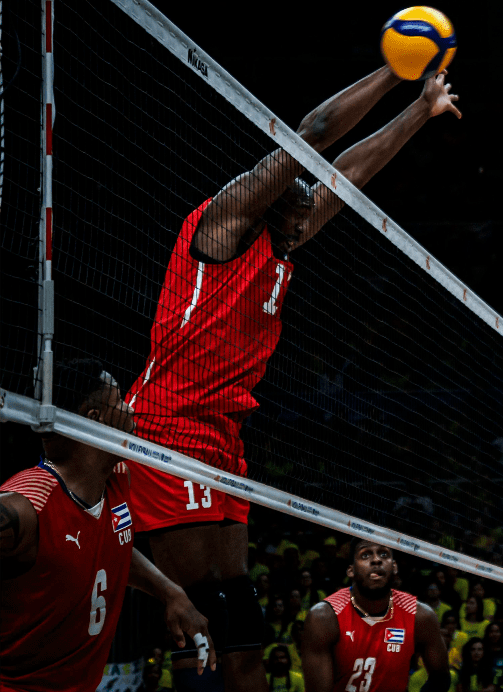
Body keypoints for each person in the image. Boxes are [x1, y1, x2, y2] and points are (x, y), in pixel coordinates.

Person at [123, 62, 460, 690]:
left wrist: (421, 108)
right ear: (273, 197)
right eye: (300, 195)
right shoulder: (223, 226)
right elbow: (317, 130)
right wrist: (395, 70)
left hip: (225, 438)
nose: (311, 205)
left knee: (241, 621)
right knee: (196, 617)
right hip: (165, 427)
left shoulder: (285, 234)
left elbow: (351, 175)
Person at [0, 359, 215, 691]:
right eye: (120, 401)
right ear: (95, 420)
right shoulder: (25, 508)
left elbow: (108, 546)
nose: (131, 411)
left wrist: (170, 591)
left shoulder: (117, 479)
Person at [299, 538, 450, 692]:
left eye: (384, 554)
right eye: (365, 555)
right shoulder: (324, 617)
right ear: (351, 570)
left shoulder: (420, 616)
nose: (376, 560)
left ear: (394, 567)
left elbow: (441, 678)